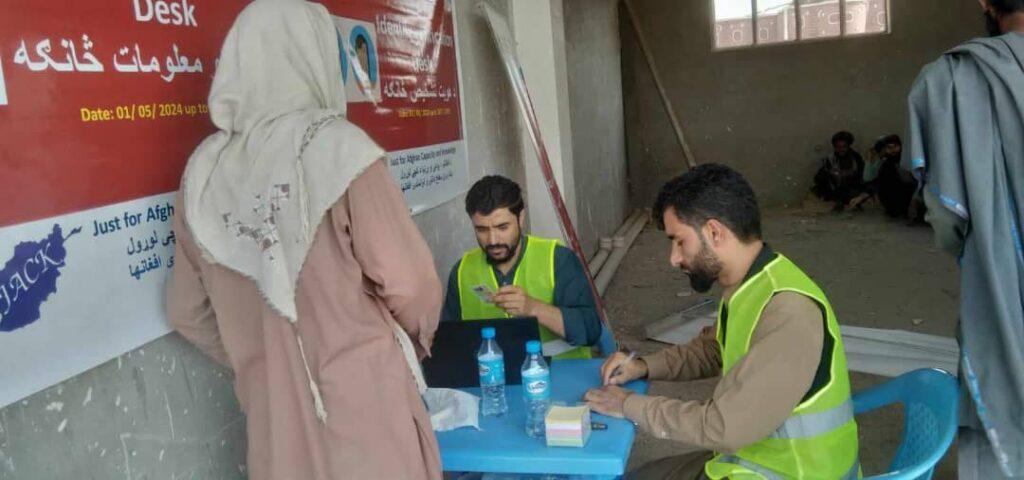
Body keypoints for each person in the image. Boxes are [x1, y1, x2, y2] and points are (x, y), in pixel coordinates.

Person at [165, 1, 442, 478]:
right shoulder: (340, 150)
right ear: (313, 55)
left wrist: (265, 363)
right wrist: (408, 345)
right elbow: (413, 285)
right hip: (369, 417)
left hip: (275, 428)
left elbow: (185, 312)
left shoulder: (201, 177)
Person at [585, 164, 859, 480]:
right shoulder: (750, 285)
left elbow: (723, 427)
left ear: (714, 232)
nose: (673, 258)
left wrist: (629, 405)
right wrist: (643, 366)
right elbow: (714, 350)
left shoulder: (788, 311)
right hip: (750, 459)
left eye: (679, 241)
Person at [903, 0, 1024, 477]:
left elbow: (946, 211)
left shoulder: (948, 80)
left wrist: (982, 250)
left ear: (985, 4)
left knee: (999, 394)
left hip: (1000, 285)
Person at [440, 175, 602, 359]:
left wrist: (533, 308)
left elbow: (590, 331)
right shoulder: (462, 271)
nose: (493, 240)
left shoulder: (558, 260)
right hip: (490, 382)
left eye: (502, 227)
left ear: (521, 218)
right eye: (482, 230)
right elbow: (449, 341)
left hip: (562, 376)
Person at [812, 131, 865, 212]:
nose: (841, 149)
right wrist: (830, 173)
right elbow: (818, 177)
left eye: (844, 146)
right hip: (835, 188)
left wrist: (848, 174)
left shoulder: (856, 158)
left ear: (848, 146)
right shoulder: (830, 159)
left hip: (851, 188)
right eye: (838, 147)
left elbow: (862, 175)